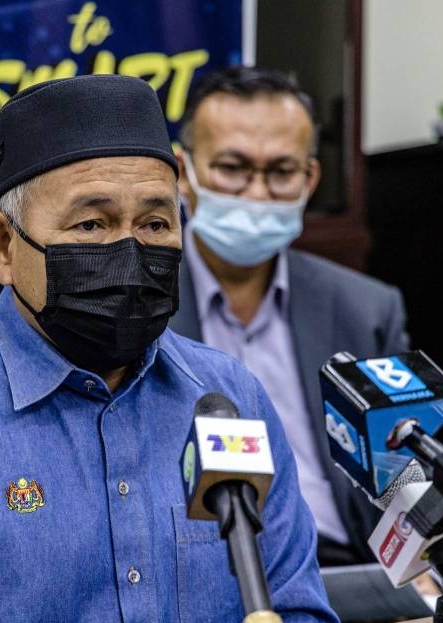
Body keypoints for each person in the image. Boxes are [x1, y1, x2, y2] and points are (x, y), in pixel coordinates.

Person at [0, 74, 339, 623]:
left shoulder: (228, 398)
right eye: (91, 225)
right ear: (2, 247)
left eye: (154, 224)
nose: (129, 251)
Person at [168, 67, 410, 566]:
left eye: (281, 172)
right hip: (195, 566)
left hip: (341, 570)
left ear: (310, 178)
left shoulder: (365, 309)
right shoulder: (139, 308)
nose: (257, 194)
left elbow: (397, 472)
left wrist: (421, 567)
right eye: (232, 168)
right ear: (182, 172)